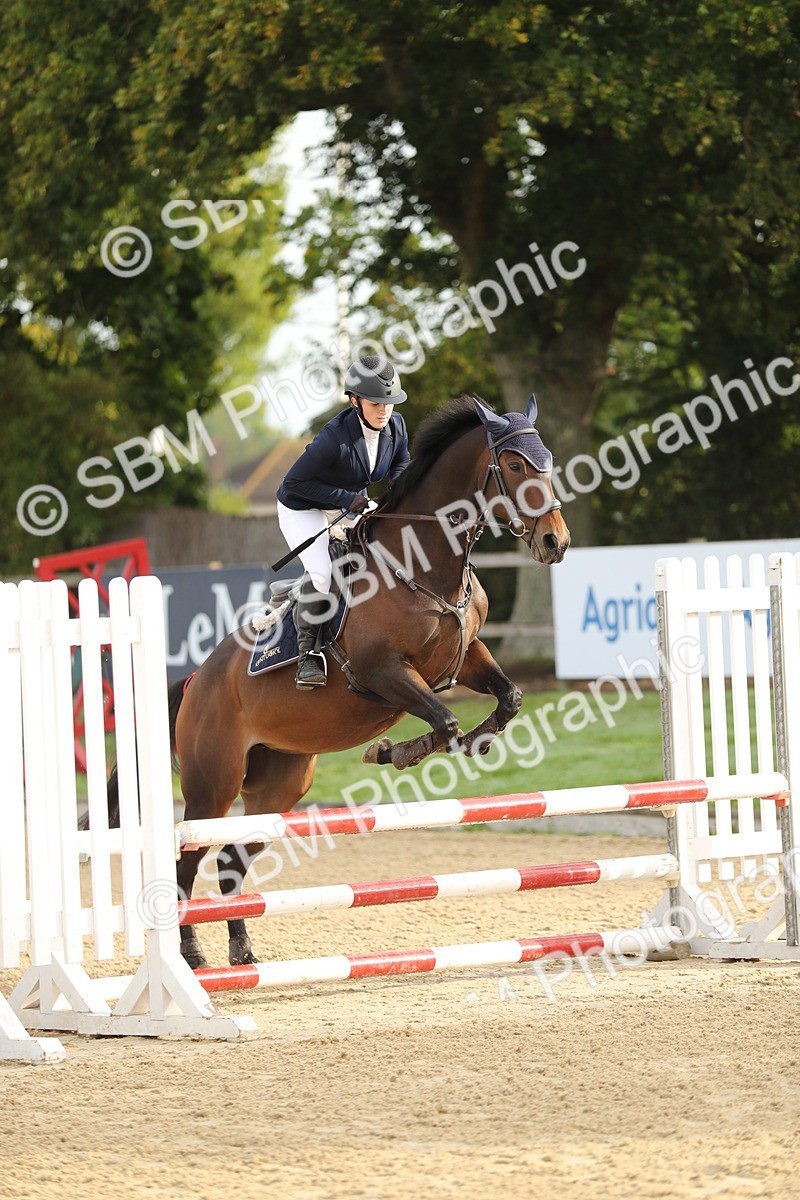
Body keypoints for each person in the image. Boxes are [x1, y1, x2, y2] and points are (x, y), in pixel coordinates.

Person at [276, 354, 411, 689]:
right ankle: (308, 655)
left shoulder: (396, 426)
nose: (384, 411)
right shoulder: (333, 438)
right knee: (323, 572)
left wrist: (399, 497)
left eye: (389, 403)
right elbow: (293, 484)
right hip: (302, 508)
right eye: (376, 403)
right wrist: (347, 499)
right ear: (354, 401)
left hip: (349, 505)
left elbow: (401, 465)